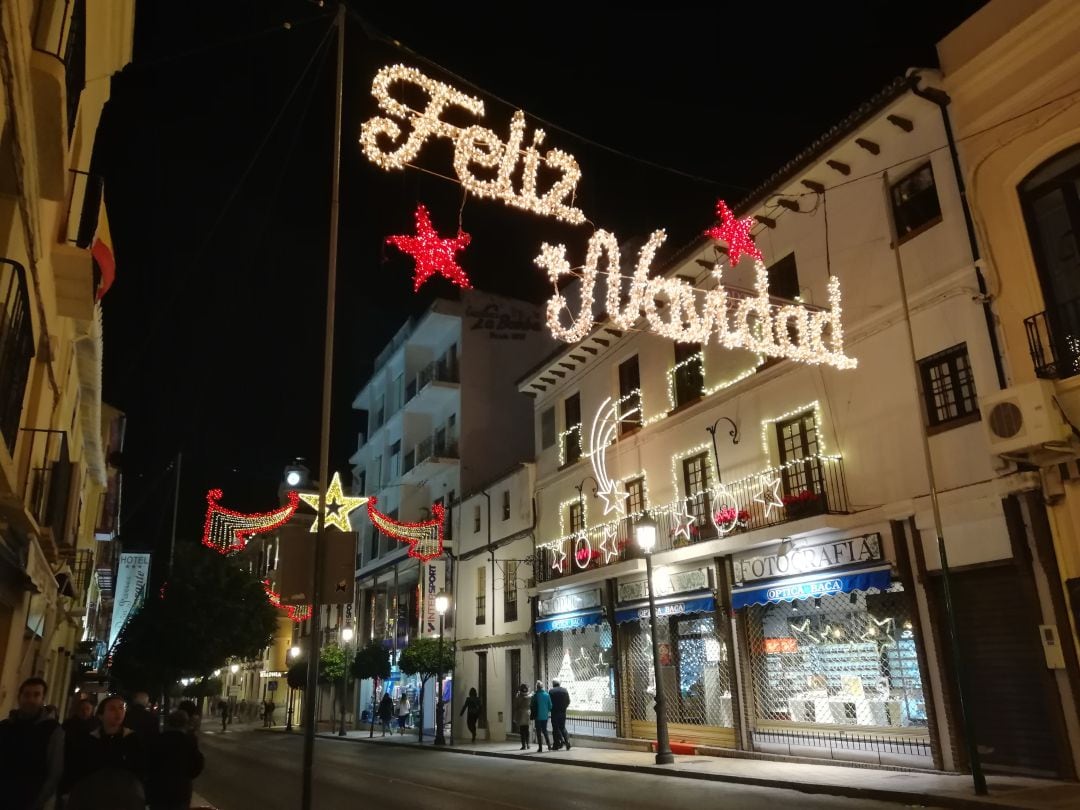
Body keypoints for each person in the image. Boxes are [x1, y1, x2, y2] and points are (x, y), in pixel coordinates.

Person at [64, 694, 146, 810]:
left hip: (124, 799)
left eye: (121, 708)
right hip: (94, 798)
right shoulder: (91, 739)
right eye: (112, 709)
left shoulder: (132, 739)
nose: (118, 712)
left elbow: (139, 768)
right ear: (101, 715)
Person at [0, 676, 64, 810]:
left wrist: (37, 803)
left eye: (36, 695)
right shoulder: (5, 726)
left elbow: (54, 771)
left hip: (29, 800)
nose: (31, 700)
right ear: (19, 697)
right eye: (27, 695)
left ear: (43, 699)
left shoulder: (52, 730)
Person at [146, 710, 204, 810]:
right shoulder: (190, 741)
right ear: (185, 724)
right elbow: (198, 764)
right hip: (181, 789)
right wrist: (186, 776)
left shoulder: (157, 739)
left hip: (159, 789)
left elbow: (148, 763)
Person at [549, 678, 571, 751]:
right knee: (562, 727)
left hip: (554, 712)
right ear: (559, 683)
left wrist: (551, 708)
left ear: (553, 684)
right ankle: (567, 742)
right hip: (562, 712)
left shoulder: (551, 691)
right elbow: (568, 701)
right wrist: (564, 707)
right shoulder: (565, 690)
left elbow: (549, 702)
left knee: (555, 729)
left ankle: (556, 744)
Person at [529, 680, 552, 753]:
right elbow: (550, 706)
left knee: (538, 732)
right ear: (542, 687)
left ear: (537, 687)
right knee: (545, 730)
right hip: (545, 716)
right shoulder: (547, 695)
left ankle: (540, 748)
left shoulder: (535, 695)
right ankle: (549, 745)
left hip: (537, 716)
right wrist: (546, 711)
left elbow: (531, 705)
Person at [512, 684, 531, 751]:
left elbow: (515, 705)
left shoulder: (518, 697)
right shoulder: (530, 696)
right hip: (528, 714)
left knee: (522, 731)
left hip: (520, 714)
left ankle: (523, 745)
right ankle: (528, 744)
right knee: (527, 730)